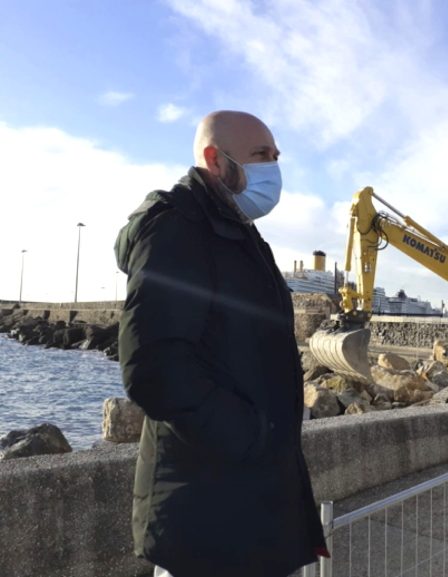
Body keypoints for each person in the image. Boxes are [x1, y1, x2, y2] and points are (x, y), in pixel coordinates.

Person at [115, 110, 327, 577]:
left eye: (275, 156)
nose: (274, 168)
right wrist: (253, 435)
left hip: (250, 508)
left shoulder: (240, 233)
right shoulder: (176, 228)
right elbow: (154, 367)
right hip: (206, 519)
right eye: (261, 156)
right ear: (215, 159)